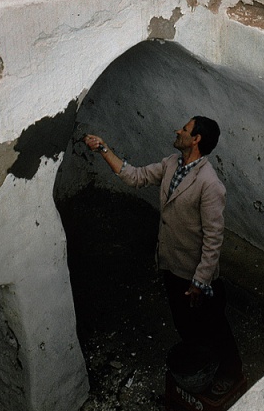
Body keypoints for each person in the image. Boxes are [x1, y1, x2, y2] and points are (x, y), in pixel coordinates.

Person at [84, 116, 242, 396]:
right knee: (184, 323)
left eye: (185, 129)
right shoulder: (171, 163)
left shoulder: (209, 184)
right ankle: (203, 363)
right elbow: (136, 176)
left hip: (196, 277)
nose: (177, 130)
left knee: (215, 325)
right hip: (172, 265)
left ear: (196, 140)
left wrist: (200, 282)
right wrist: (103, 149)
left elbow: (214, 238)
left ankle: (231, 372)